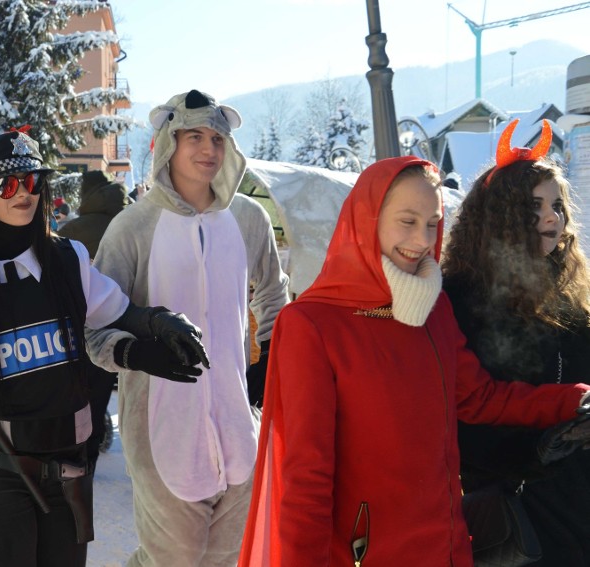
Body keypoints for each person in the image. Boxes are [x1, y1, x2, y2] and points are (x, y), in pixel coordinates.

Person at [237, 155, 590, 566]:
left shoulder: (433, 306)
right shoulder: (313, 324)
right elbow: (306, 479)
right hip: (365, 552)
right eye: (407, 221)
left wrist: (571, 400)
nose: (423, 239)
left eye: (433, 223)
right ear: (367, 218)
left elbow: (479, 397)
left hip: (446, 545)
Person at [0, 127, 209, 567]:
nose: (24, 193)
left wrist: (159, 323)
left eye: (33, 182)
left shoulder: (66, 258)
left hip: (69, 468)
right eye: (7, 183)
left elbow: (117, 311)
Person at [85, 89, 289, 566]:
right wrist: (136, 354)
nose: (209, 149)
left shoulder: (249, 219)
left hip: (240, 431)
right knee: (170, 561)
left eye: (218, 137)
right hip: (161, 433)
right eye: (193, 135)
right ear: (166, 143)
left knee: (228, 560)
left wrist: (268, 359)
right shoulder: (132, 227)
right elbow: (93, 327)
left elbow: (275, 294)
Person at [443, 120, 590, 566]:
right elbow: (466, 416)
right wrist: (537, 452)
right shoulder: (461, 297)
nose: (553, 217)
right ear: (501, 217)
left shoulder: (566, 288)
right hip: (516, 507)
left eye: (557, 205)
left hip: (577, 495)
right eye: (535, 207)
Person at [58, 169, 132, 470]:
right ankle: (94, 444)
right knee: (102, 391)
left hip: (77, 324)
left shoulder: (73, 230)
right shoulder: (130, 223)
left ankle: (76, 455)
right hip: (123, 318)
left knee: (76, 392)